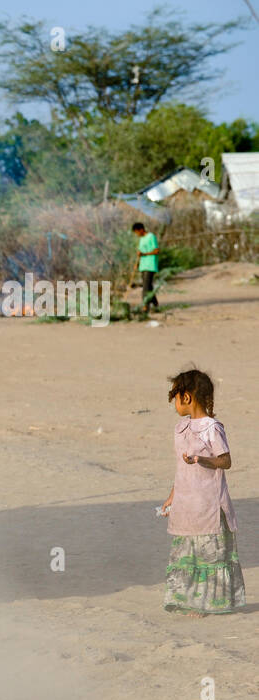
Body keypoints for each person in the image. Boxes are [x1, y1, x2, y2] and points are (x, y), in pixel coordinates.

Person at [160, 368, 245, 615]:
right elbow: (180, 468)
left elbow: (226, 460)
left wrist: (202, 460)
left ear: (186, 397)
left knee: (210, 554)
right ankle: (186, 599)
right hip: (187, 504)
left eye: (175, 396)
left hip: (209, 505)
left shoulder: (212, 428)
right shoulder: (180, 428)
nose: (175, 403)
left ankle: (207, 604)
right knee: (187, 552)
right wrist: (172, 495)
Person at [130, 222, 160, 313]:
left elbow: (156, 250)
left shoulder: (151, 237)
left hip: (150, 265)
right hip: (143, 266)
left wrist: (145, 254)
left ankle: (145, 306)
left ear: (141, 229)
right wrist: (138, 263)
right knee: (148, 286)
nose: (137, 234)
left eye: (137, 232)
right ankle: (155, 304)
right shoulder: (141, 239)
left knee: (145, 287)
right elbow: (140, 253)